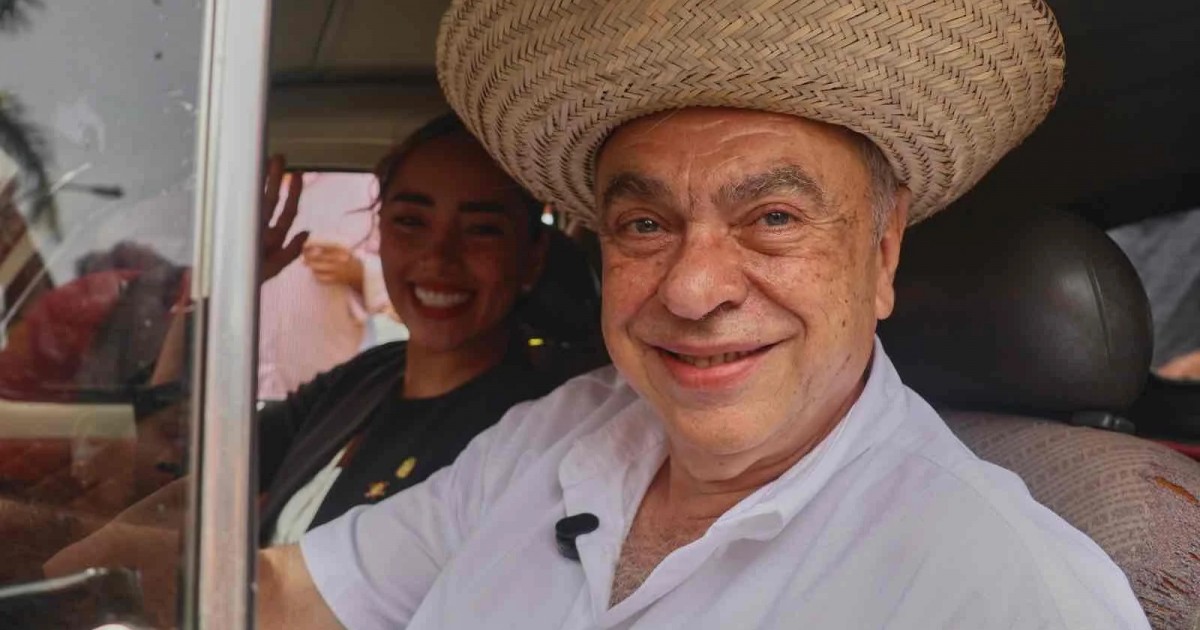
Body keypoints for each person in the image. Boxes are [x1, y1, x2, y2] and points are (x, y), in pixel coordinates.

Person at [259, 0, 1152, 629]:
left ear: (881, 256)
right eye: (645, 225)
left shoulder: (1010, 593)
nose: (691, 290)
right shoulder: (561, 435)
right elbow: (298, 597)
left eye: (774, 218)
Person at [257, 158, 393, 400]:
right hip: (230, 399)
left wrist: (358, 273)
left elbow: (408, 283)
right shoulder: (227, 183)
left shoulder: (365, 189)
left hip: (329, 403)